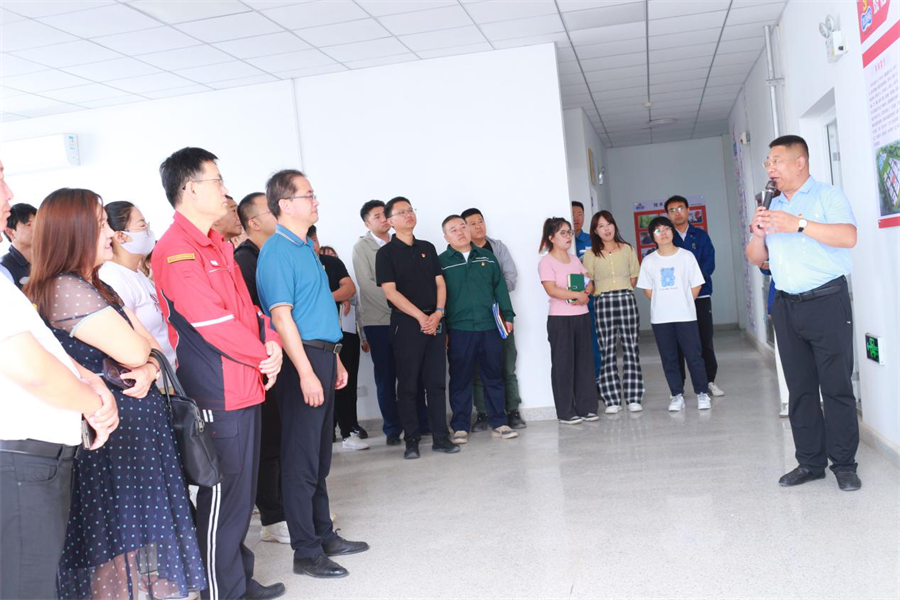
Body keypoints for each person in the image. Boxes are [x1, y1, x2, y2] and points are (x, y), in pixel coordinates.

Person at [25, 188, 205, 600]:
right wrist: (145, 360)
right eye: (101, 224)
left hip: (135, 437)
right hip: (112, 442)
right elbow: (135, 349)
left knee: (139, 543)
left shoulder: (96, 286)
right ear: (73, 232)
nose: (111, 233)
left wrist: (149, 366)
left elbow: (151, 349)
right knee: (115, 546)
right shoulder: (64, 289)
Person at [153, 147, 286, 600]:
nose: (226, 191)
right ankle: (219, 590)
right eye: (217, 181)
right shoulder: (176, 250)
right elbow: (213, 323)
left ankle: (236, 581)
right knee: (223, 496)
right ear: (190, 189)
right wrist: (262, 354)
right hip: (217, 389)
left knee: (241, 495)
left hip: (244, 382)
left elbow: (247, 310)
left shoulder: (217, 244)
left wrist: (271, 341)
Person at [0, 164, 119, 600]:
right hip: (20, 459)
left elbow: (40, 345)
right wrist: (94, 402)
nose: (9, 192)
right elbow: (29, 367)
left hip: (33, 459)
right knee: (27, 587)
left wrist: (90, 382)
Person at [256, 169, 369, 579]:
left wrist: (334, 357)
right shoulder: (276, 251)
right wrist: (305, 372)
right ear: (285, 204)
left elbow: (315, 311)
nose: (316, 200)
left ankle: (324, 534)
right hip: (299, 360)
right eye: (308, 195)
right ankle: (305, 551)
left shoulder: (305, 247)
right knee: (300, 459)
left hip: (322, 355)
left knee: (319, 456)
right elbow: (281, 318)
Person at [746, 134, 860, 492]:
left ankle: (844, 465)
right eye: (767, 162)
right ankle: (810, 462)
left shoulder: (828, 196)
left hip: (827, 302)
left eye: (776, 161)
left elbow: (848, 237)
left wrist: (797, 224)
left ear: (800, 162)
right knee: (800, 389)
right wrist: (758, 234)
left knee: (836, 386)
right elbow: (755, 257)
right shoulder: (770, 205)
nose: (770, 168)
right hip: (786, 306)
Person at [375, 196, 459, 459]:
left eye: (410, 210)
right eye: (402, 212)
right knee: (408, 385)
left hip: (435, 321)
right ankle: (411, 439)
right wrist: (421, 318)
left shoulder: (427, 247)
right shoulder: (385, 253)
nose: (408, 215)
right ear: (390, 221)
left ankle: (441, 437)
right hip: (406, 324)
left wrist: (438, 313)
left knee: (436, 383)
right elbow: (390, 292)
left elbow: (440, 284)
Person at [234, 191, 291, 546]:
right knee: (268, 443)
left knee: (280, 439)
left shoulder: (271, 252)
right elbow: (255, 315)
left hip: (277, 356)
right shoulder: (244, 259)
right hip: (260, 363)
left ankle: (286, 509)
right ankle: (273, 517)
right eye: (271, 210)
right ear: (254, 222)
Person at [352, 200, 430, 445]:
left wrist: (408, 307)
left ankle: (421, 423)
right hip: (380, 322)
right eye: (376, 216)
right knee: (386, 376)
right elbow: (368, 286)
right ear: (367, 224)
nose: (383, 219)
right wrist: (400, 302)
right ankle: (393, 429)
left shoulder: (403, 244)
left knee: (414, 374)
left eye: (384, 215)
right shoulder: (362, 248)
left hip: (408, 319)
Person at [439, 215, 518, 443]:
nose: (460, 231)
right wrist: (443, 328)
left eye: (462, 226)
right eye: (453, 229)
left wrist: (508, 316)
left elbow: (500, 288)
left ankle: (499, 422)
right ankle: (460, 426)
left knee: (493, 375)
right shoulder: (442, 262)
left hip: (489, 326)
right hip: (459, 329)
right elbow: (438, 295)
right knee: (460, 378)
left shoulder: (487, 257)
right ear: (446, 237)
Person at [636, 216, 711, 412]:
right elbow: (647, 290)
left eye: (666, 228)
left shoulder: (686, 256)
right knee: (669, 358)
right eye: (658, 230)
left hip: (685, 316)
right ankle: (676, 395)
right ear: (652, 236)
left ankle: (702, 393)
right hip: (661, 318)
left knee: (694, 356)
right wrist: (664, 302)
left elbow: (696, 285)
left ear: (672, 231)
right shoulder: (649, 261)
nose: (663, 233)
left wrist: (683, 302)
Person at [461, 207, 526, 430]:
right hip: (474, 319)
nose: (478, 226)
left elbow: (510, 278)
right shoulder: (462, 252)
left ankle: (512, 410)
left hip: (500, 315)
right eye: (472, 223)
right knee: (479, 369)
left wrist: (490, 291)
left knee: (507, 364)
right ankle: (483, 413)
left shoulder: (497, 247)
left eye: (480, 221)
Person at [307, 226, 369, 451]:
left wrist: (325, 298)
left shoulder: (331, 262)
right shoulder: (296, 264)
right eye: (307, 239)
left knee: (347, 383)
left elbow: (349, 289)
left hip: (344, 334)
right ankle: (325, 433)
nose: (312, 244)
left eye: (314, 239)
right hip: (314, 337)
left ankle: (349, 430)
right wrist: (334, 298)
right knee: (322, 386)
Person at [538, 217, 600, 425]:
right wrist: (576, 296)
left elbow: (589, 282)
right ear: (551, 238)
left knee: (584, 363)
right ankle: (565, 411)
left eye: (569, 232)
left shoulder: (574, 260)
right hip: (560, 320)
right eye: (563, 233)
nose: (568, 236)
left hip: (581, 316)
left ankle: (587, 408)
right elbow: (551, 289)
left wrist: (586, 293)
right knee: (563, 365)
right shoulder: (546, 262)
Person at [100, 201, 176, 368]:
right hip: (151, 374)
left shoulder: (138, 274)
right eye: (142, 226)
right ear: (120, 236)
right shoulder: (114, 279)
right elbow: (122, 339)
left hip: (168, 370)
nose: (148, 231)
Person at [582, 210, 644, 414]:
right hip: (602, 302)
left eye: (609, 224)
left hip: (626, 299)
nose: (606, 229)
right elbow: (588, 282)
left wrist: (621, 289)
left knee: (631, 348)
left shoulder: (627, 249)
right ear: (595, 231)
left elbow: (634, 277)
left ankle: (634, 397)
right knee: (607, 350)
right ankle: (612, 399)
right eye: (601, 226)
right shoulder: (590, 254)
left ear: (614, 226)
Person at [666, 195, 724, 397]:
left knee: (704, 340)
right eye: (672, 210)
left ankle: (709, 381)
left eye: (680, 208)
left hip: (700, 296)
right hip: (675, 299)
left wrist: (693, 286)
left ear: (688, 210)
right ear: (667, 215)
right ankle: (679, 388)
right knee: (678, 343)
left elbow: (709, 264)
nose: (677, 213)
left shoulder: (700, 236)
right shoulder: (667, 237)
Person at [572, 201, 602, 384]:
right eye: (573, 214)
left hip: (591, 299)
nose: (576, 218)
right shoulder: (565, 242)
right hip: (570, 301)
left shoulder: (592, 241)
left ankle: (597, 379)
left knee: (593, 343)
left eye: (580, 214)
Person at [1, 202, 36, 288]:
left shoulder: (49, 258)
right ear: (10, 232)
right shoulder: (4, 269)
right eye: (29, 225)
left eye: (39, 223)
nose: (38, 228)